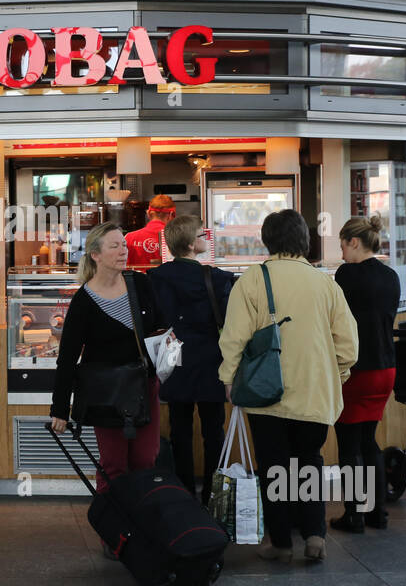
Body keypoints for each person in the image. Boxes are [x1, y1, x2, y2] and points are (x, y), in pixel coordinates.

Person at [218, 209, 357, 563]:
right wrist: (336, 374)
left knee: (273, 465)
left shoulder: (252, 280)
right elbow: (348, 343)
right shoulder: (325, 282)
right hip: (315, 390)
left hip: (267, 392)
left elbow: (233, 336)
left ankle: (280, 542)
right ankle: (314, 536)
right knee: (309, 461)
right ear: (304, 240)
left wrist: (228, 378)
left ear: (267, 240)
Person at [50, 222, 167, 554]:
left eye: (123, 245)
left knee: (146, 459)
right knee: (113, 465)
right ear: (96, 255)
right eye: (114, 246)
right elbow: (68, 357)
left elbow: (160, 324)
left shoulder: (140, 284)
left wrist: (168, 346)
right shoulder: (84, 301)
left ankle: (143, 527)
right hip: (107, 393)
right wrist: (60, 407)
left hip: (145, 386)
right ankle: (113, 534)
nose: (123, 250)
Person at [148, 214, 236, 505]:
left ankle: (184, 494)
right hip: (211, 362)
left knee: (180, 431)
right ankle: (213, 496)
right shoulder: (217, 278)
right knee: (214, 431)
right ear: (189, 243)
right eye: (202, 235)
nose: (205, 239)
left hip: (174, 363)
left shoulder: (155, 278)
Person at [331, 215, 400, 533]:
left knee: (349, 444)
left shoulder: (346, 275)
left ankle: (354, 514)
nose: (341, 252)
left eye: (342, 244)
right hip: (385, 368)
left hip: (355, 370)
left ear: (354, 242)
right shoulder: (391, 276)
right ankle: (378, 512)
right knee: (369, 440)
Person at [124, 193, 176, 270]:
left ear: (148, 213)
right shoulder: (177, 238)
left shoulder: (129, 238)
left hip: (137, 282)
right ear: (171, 214)